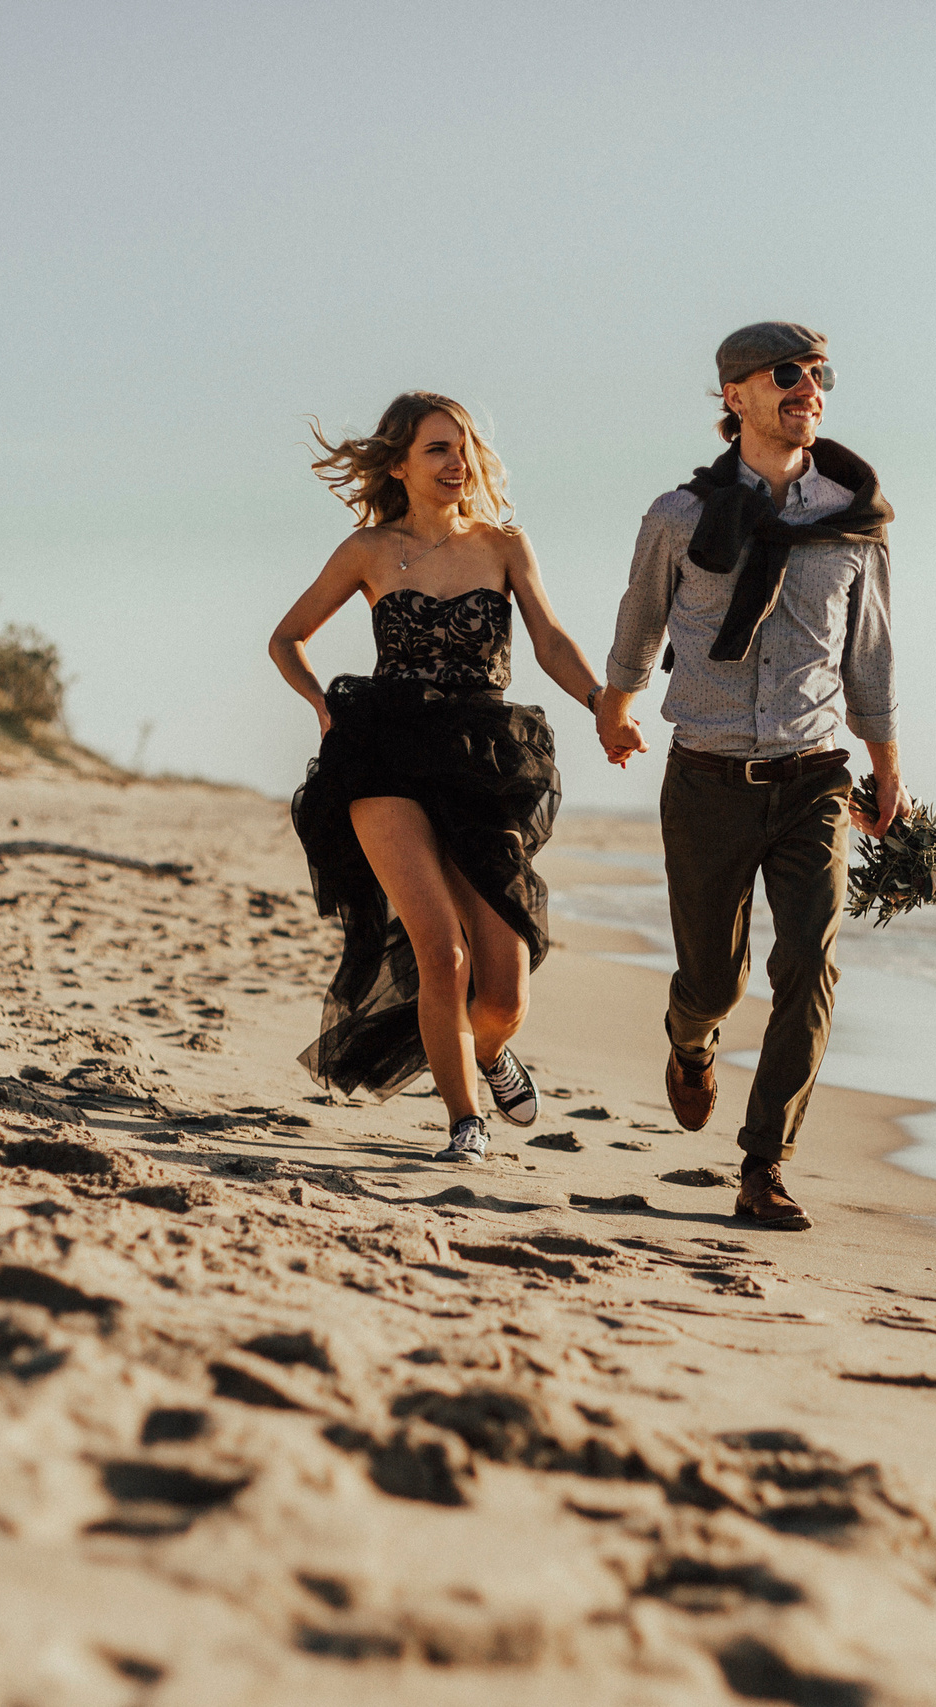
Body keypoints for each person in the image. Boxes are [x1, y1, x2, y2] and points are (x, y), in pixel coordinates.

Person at [595, 322, 904, 1231]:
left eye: (820, 375)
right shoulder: (678, 517)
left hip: (815, 775)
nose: (809, 388)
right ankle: (690, 1042)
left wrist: (888, 767)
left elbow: (871, 657)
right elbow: (641, 616)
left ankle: (764, 1162)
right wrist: (618, 703)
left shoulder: (853, 519)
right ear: (735, 396)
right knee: (714, 982)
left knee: (810, 966)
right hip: (705, 774)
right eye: (786, 375)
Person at [273, 391, 624, 1162]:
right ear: (398, 463)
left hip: (478, 759)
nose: (455, 461)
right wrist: (324, 711)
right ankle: (466, 1121)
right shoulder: (366, 550)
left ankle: (489, 1053)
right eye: (436, 448)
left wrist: (600, 700)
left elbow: (550, 638)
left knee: (503, 986)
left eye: (462, 446)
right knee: (443, 952)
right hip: (383, 755)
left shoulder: (503, 546)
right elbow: (288, 638)